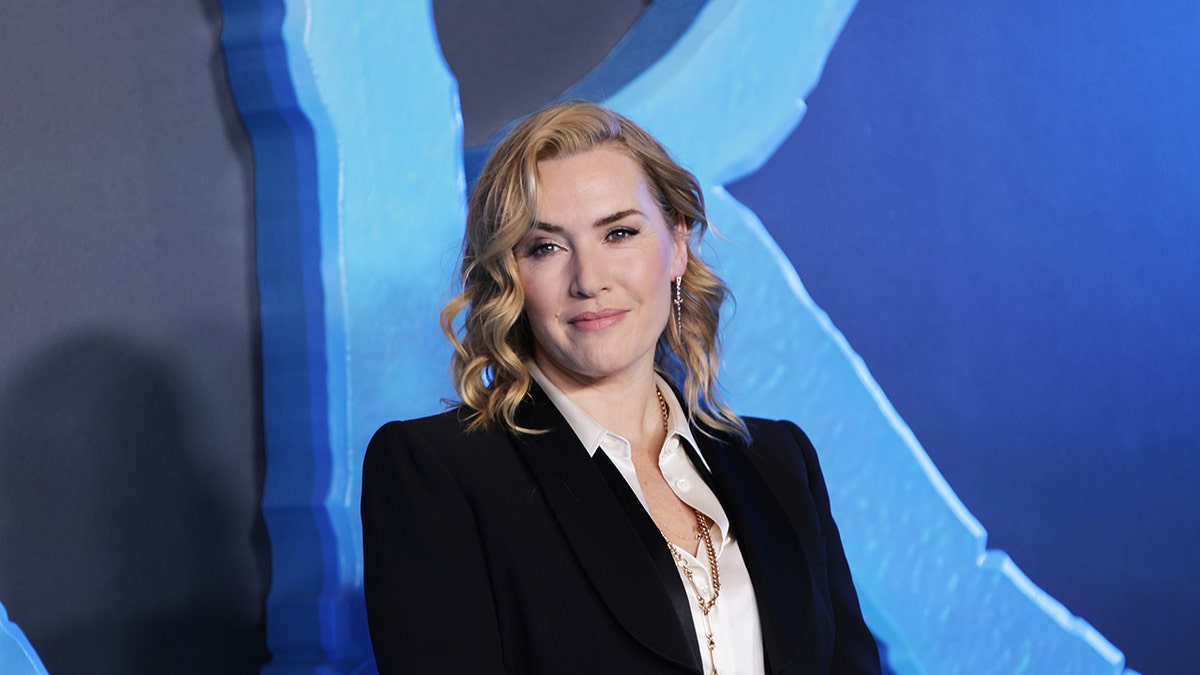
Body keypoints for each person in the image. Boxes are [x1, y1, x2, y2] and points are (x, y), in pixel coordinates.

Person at [361, 101, 881, 674]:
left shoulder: (782, 462)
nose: (589, 280)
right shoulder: (438, 472)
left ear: (677, 244)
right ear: (509, 276)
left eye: (619, 233)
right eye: (546, 246)